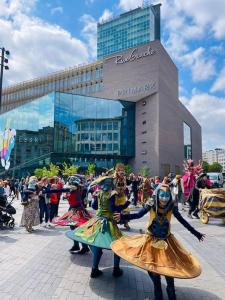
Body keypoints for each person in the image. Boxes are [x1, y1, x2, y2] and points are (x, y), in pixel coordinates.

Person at [112, 182, 205, 300]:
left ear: (170, 196)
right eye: (162, 195)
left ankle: (172, 295)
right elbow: (138, 215)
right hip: (150, 241)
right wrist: (122, 217)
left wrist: (196, 233)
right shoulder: (151, 204)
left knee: (169, 273)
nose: (164, 198)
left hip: (167, 243)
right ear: (157, 195)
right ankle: (158, 295)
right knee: (153, 272)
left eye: (167, 195)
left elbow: (183, 222)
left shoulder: (172, 207)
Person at [66, 176, 130, 278]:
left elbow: (95, 206)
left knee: (96, 244)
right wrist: (126, 204)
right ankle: (116, 269)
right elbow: (113, 208)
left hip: (96, 221)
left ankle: (94, 269)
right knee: (117, 245)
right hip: (108, 223)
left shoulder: (99, 193)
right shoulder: (112, 194)